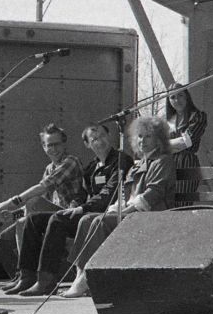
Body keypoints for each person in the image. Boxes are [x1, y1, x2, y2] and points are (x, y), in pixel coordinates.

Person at [9, 123, 133, 296]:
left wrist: (83, 207)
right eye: (94, 139)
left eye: (102, 137)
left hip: (106, 214)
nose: (99, 142)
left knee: (58, 220)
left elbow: (109, 193)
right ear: (87, 144)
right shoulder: (92, 167)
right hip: (88, 211)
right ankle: (27, 275)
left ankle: (46, 280)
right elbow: (82, 193)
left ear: (110, 137)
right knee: (34, 219)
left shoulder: (120, 160)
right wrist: (76, 204)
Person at [63, 115, 177, 297]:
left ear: (158, 139)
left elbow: (154, 193)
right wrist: (115, 208)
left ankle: (87, 277)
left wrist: (125, 210)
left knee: (101, 222)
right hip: (131, 214)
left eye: (148, 136)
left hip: (150, 216)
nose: (143, 141)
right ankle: (81, 272)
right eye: (140, 136)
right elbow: (123, 193)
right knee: (86, 220)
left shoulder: (162, 161)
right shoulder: (139, 164)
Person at [0, 123, 86, 291]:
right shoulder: (49, 168)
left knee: (33, 203)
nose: (53, 149)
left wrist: (11, 202)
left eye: (57, 144)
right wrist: (14, 213)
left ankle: (33, 276)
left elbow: (42, 189)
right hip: (56, 215)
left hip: (73, 215)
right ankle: (25, 275)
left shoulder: (70, 161)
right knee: (19, 225)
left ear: (64, 144)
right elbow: (44, 201)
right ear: (43, 147)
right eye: (49, 145)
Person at [165, 83, 208, 198]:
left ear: (187, 96)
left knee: (182, 203)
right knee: (167, 204)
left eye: (180, 95)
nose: (177, 100)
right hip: (167, 166)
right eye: (172, 97)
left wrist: (163, 145)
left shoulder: (197, 116)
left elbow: (187, 142)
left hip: (187, 164)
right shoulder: (167, 122)